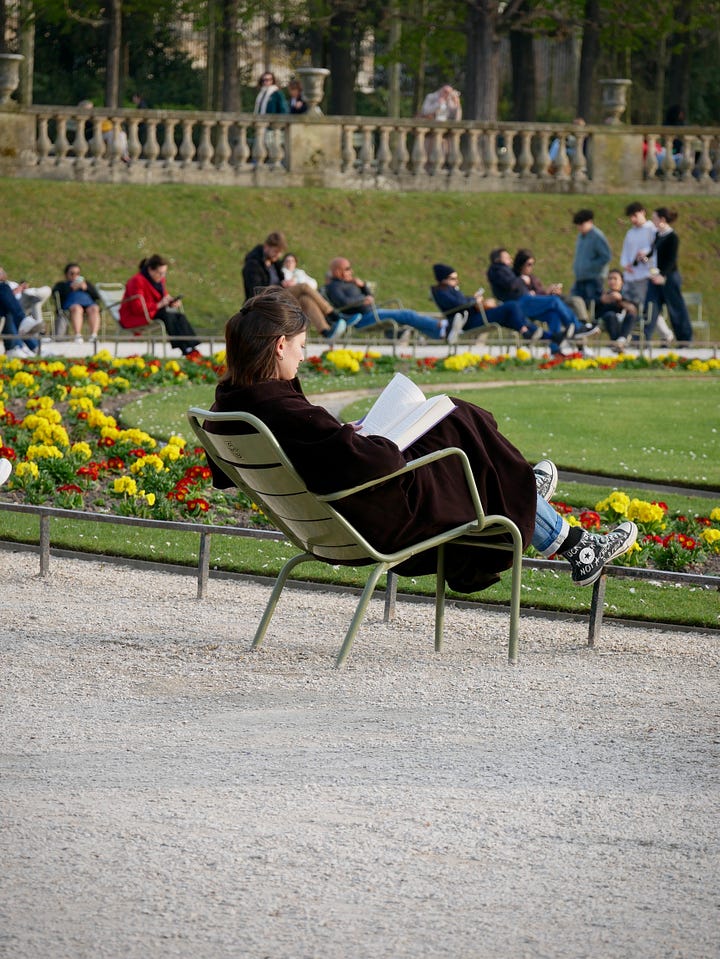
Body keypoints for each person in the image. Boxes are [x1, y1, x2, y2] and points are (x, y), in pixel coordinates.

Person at [206, 289, 637, 593]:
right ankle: (537, 505)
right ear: (280, 346)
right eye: (301, 346)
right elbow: (379, 465)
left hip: (335, 515)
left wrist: (349, 434)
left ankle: (532, 501)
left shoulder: (234, 403)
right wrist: (374, 438)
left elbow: (288, 458)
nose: (305, 355)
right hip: (380, 520)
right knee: (456, 420)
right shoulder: (281, 408)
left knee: (456, 433)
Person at [487, 248, 595, 351]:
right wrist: (521, 280)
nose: (510, 259)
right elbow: (511, 285)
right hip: (520, 303)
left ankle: (555, 350)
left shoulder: (505, 271)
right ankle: (577, 327)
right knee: (554, 301)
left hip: (525, 303)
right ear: (498, 259)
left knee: (553, 315)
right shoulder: (498, 270)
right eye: (506, 257)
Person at [243, 232, 346, 340]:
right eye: (276, 252)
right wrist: (280, 285)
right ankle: (333, 315)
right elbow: (255, 291)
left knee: (305, 299)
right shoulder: (253, 265)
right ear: (266, 247)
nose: (278, 256)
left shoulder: (274, 263)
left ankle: (326, 331)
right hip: (266, 298)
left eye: (280, 253)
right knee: (303, 287)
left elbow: (280, 279)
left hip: (279, 294)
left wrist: (285, 283)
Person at [430, 263, 553, 348]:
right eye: (453, 278)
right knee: (511, 306)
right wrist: (475, 301)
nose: (456, 281)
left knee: (511, 317)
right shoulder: (442, 292)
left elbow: (462, 301)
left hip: (474, 317)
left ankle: (544, 335)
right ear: (443, 279)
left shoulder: (450, 290)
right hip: (468, 321)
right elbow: (457, 304)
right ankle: (536, 334)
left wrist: (474, 299)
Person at [326, 258, 449, 341]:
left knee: (406, 319)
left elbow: (371, 297)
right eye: (347, 268)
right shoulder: (333, 287)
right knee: (407, 314)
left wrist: (363, 286)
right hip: (362, 318)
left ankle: (440, 333)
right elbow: (342, 303)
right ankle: (440, 326)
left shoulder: (351, 283)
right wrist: (362, 301)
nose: (351, 271)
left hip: (373, 312)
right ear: (337, 271)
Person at [119, 254, 202, 358]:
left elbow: (164, 296)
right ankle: (186, 349)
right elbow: (137, 308)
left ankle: (192, 347)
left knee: (179, 316)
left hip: (153, 312)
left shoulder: (159, 280)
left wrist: (171, 302)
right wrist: (159, 304)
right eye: (160, 273)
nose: (162, 276)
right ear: (150, 270)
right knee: (167, 316)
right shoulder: (136, 281)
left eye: (164, 273)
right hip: (134, 316)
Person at [619, 202, 675, 347]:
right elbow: (625, 251)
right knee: (631, 307)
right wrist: (626, 264)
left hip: (645, 275)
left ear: (642, 212)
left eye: (635, 216)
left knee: (647, 308)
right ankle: (627, 335)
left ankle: (665, 334)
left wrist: (645, 256)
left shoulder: (651, 229)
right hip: (631, 275)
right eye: (631, 217)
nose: (633, 219)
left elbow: (655, 249)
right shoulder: (630, 232)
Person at [644, 207, 693, 345]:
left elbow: (672, 260)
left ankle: (684, 340)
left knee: (676, 308)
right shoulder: (659, 235)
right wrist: (643, 258)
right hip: (656, 276)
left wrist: (663, 275)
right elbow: (652, 252)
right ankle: (642, 340)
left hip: (669, 277)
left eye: (654, 218)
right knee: (650, 307)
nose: (652, 221)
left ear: (662, 220)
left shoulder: (672, 237)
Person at [512, 248, 591, 325]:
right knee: (559, 309)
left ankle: (583, 324)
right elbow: (528, 296)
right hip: (539, 305)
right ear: (521, 264)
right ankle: (580, 327)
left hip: (547, 299)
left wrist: (553, 291)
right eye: (529, 264)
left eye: (533, 264)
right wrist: (546, 292)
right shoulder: (516, 280)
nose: (532, 267)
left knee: (577, 300)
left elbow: (540, 291)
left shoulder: (532, 278)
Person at [571, 209, 612, 308]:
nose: (579, 227)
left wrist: (590, 266)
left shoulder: (597, 236)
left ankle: (594, 322)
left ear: (590, 222)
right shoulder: (581, 237)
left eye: (582, 224)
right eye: (578, 225)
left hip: (594, 278)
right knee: (575, 302)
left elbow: (606, 256)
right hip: (580, 277)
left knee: (593, 304)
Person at [52, 263, 101, 343]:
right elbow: (56, 294)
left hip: (88, 304)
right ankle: (77, 335)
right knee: (77, 308)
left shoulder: (86, 283)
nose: (75, 276)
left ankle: (94, 335)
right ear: (66, 275)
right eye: (72, 273)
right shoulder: (62, 285)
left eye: (77, 273)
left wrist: (86, 288)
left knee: (95, 308)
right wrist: (71, 288)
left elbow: (97, 296)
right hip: (71, 305)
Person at [1, 266, 42, 358]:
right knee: (4, 295)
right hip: (14, 309)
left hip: (19, 305)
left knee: (8, 308)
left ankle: (15, 348)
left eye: (2, 271)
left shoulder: (11, 284)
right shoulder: (4, 286)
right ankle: (32, 347)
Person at [596, 269, 638, 352]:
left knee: (631, 315)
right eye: (610, 279)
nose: (612, 281)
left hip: (626, 319)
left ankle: (621, 341)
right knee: (610, 315)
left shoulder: (628, 294)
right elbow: (597, 312)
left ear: (622, 281)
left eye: (615, 279)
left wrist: (620, 300)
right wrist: (603, 300)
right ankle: (617, 342)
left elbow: (634, 309)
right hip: (609, 319)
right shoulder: (603, 295)